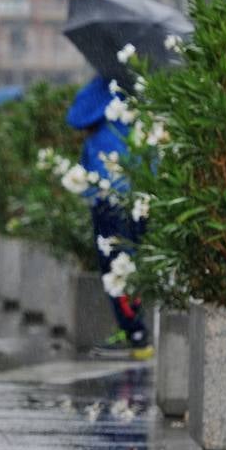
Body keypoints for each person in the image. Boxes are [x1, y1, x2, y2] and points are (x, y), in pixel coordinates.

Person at [67, 76, 153, 361]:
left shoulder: (103, 87)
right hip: (140, 193)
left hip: (108, 196)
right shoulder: (143, 95)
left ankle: (135, 332)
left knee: (114, 265)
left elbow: (75, 117)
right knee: (134, 260)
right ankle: (135, 331)